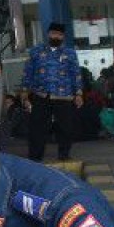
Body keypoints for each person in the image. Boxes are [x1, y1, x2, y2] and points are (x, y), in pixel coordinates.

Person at [22, 23, 81, 161]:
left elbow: (76, 73)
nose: (56, 37)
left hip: (64, 96)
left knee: (65, 127)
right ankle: (35, 157)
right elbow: (28, 71)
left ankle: (64, 155)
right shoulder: (36, 51)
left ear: (63, 37)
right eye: (54, 33)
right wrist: (24, 91)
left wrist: (78, 93)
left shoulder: (70, 53)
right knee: (37, 127)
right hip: (41, 95)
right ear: (48, 34)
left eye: (60, 35)